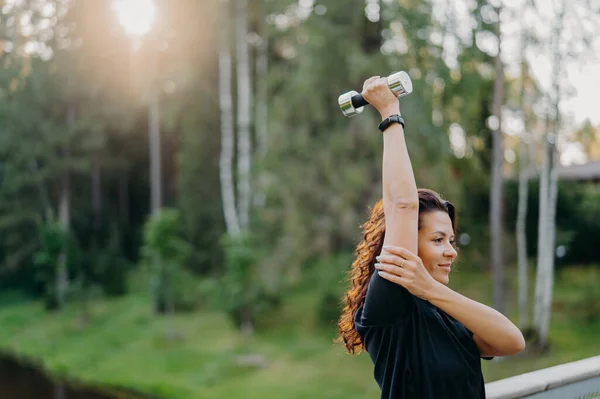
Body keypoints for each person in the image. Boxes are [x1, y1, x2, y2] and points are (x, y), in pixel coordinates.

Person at [336, 75, 525, 399]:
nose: (451, 251)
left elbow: (513, 341)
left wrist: (430, 289)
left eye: (451, 241)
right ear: (408, 244)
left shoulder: (444, 312)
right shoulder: (389, 304)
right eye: (437, 240)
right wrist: (390, 113)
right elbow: (403, 205)